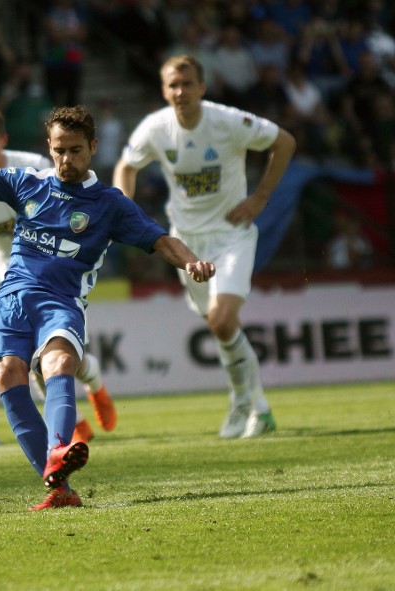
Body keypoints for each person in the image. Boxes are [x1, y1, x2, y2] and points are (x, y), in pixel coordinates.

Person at [0, 105, 215, 510]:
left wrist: (190, 261)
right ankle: (58, 487)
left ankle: (59, 450)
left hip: (62, 303)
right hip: (12, 299)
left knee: (58, 363)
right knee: (10, 373)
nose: (67, 160)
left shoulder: (110, 204)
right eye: (60, 150)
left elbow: (160, 240)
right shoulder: (24, 183)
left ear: (93, 147)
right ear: (49, 147)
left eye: (77, 150)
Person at [113, 54, 296, 440]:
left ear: (202, 87)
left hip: (232, 234)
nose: (180, 91)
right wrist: (124, 209)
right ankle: (256, 406)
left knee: (222, 319)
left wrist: (260, 198)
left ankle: (245, 403)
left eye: (187, 83)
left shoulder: (228, 121)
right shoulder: (155, 127)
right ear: (164, 91)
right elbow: (127, 166)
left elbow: (285, 142)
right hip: (187, 243)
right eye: (172, 85)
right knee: (218, 325)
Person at [0, 105, 117, 445]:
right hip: (12, 276)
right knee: (30, 365)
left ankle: (95, 385)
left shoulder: (32, 168)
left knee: (66, 359)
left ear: (3, 140)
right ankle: (76, 427)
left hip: (56, 274)